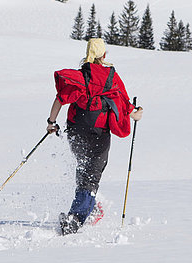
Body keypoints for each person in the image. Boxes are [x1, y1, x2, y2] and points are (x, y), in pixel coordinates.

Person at [47, 38, 143, 235]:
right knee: (91, 176)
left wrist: (51, 122)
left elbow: (60, 99)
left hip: (76, 131)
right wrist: (137, 114)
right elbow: (125, 105)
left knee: (84, 171)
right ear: (104, 55)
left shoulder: (81, 77)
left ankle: (89, 208)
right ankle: (76, 219)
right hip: (100, 135)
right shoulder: (112, 78)